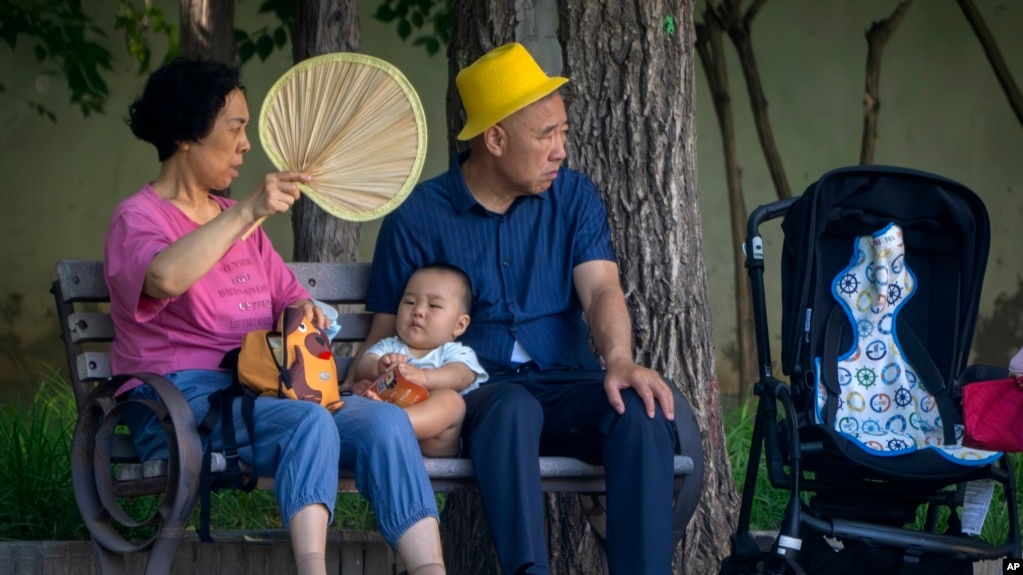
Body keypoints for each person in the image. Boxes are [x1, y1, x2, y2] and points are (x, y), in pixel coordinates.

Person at [352, 42, 704, 575]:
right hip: (479, 393)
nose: (560, 150)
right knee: (513, 407)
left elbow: (602, 291)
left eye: (563, 132)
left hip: (568, 383)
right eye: (546, 135)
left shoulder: (575, 197)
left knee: (638, 411)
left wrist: (619, 360)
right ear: (494, 139)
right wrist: (379, 374)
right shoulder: (419, 217)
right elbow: (384, 335)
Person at [106, 57, 445, 575]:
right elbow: (163, 278)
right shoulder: (139, 218)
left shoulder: (234, 220)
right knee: (307, 422)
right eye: (235, 128)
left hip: (263, 395)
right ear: (186, 136)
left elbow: (288, 299)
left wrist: (303, 311)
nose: (245, 144)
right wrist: (248, 210)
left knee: (384, 423)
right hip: (176, 406)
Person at [349, 263, 488, 457]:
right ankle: (382, 421)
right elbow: (362, 367)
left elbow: (461, 376)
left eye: (434, 305)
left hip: (432, 446)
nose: (418, 311)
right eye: (410, 302)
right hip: (388, 440)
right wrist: (379, 367)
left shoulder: (453, 353)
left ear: (459, 325)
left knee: (452, 401)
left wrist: (423, 377)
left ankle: (389, 421)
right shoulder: (390, 346)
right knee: (363, 386)